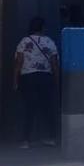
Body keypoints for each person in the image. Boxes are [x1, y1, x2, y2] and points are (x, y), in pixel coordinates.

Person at [13, 16, 59, 149]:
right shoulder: (49, 42)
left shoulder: (24, 42)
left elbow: (18, 63)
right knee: (47, 108)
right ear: (43, 27)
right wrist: (56, 80)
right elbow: (54, 64)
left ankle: (26, 140)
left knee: (29, 108)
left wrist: (15, 81)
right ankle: (51, 137)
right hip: (45, 77)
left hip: (28, 78)